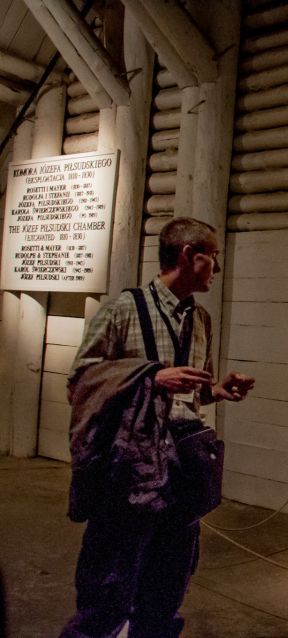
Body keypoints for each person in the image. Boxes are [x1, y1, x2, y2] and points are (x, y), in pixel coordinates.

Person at [61, 217, 255, 638]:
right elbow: (80, 383)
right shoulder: (123, 309)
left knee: (168, 586)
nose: (217, 269)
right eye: (213, 257)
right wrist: (150, 376)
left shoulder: (200, 318)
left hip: (184, 469)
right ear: (189, 255)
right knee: (108, 588)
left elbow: (193, 395)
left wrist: (218, 389)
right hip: (129, 471)